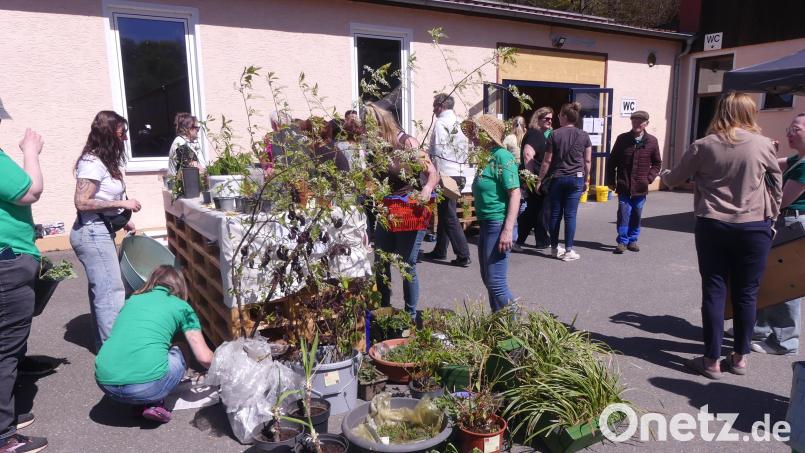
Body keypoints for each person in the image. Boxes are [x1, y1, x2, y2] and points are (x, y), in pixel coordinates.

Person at [662, 91, 782, 379]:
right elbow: (776, 185)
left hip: (713, 224)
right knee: (747, 293)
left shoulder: (703, 145)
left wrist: (663, 174)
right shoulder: (764, 145)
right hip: (754, 226)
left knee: (714, 290)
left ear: (722, 111)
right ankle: (740, 358)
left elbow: (675, 178)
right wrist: (772, 218)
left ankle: (712, 360)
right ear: (750, 113)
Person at [95, 266, 213, 423]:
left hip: (106, 383)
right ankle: (156, 402)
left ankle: (139, 403)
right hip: (146, 388)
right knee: (181, 348)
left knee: (148, 349)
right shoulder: (181, 306)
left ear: (151, 282)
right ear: (180, 286)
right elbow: (204, 358)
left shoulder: (132, 300)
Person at [71, 111, 142, 351]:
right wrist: (122, 204)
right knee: (110, 291)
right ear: (108, 134)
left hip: (99, 230)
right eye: (121, 133)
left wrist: (123, 219)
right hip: (91, 233)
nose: (124, 139)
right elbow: (82, 202)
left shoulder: (102, 161)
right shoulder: (91, 163)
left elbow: (100, 197)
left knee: (103, 290)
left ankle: (105, 346)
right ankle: (116, 353)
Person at [0, 104, 49, 452]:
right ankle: (5, 436)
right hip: (7, 262)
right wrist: (30, 152)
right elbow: (30, 190)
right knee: (5, 350)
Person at [365, 102, 439, 318]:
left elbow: (432, 172)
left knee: (406, 265)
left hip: (409, 210)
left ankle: (410, 316)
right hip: (387, 210)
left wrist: (426, 188)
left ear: (380, 122)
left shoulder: (407, 142)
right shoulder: (376, 147)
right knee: (381, 262)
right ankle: (384, 310)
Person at [751, 113, 805, 355]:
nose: (789, 134)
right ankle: (759, 328)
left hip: (794, 223)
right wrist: (763, 149)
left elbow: (781, 200)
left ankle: (784, 340)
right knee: (769, 276)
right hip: (786, 222)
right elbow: (774, 162)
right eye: (789, 129)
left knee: (786, 282)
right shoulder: (798, 159)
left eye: (796, 129)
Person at [471, 114, 521, 312]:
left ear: (487, 134)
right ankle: (499, 328)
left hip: (498, 223)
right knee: (488, 280)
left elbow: (515, 193)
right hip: (486, 223)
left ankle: (515, 326)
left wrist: (508, 230)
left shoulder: (503, 156)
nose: (473, 136)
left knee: (496, 283)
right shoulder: (486, 158)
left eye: (476, 132)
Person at [538, 102, 592, 262]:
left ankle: (554, 248)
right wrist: (587, 179)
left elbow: (547, 161)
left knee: (555, 214)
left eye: (559, 115)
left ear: (564, 117)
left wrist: (540, 179)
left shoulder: (554, 135)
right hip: (576, 177)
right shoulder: (584, 135)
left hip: (557, 178)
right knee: (570, 215)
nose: (557, 118)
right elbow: (587, 160)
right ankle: (568, 250)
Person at [424, 93, 471, 267]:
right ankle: (440, 249)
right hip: (458, 172)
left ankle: (463, 254)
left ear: (441, 105)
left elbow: (438, 152)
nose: (433, 109)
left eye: (435, 105)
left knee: (448, 214)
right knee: (446, 211)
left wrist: (434, 175)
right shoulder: (459, 123)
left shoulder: (441, 123)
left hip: (446, 173)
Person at [606, 110, 662, 254]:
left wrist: (649, 179)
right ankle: (622, 241)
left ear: (646, 124)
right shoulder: (622, 139)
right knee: (624, 213)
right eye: (634, 120)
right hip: (624, 184)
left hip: (640, 186)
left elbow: (657, 164)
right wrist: (611, 180)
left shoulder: (652, 141)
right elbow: (612, 162)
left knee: (636, 213)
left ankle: (633, 240)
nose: (636, 123)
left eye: (640, 121)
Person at [517, 107, 552, 249]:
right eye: (546, 118)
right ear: (538, 118)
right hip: (535, 180)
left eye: (551, 118)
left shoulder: (539, 135)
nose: (550, 121)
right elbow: (527, 155)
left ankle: (535, 240)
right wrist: (531, 180)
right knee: (539, 210)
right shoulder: (535, 134)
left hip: (537, 179)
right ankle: (539, 240)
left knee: (534, 210)